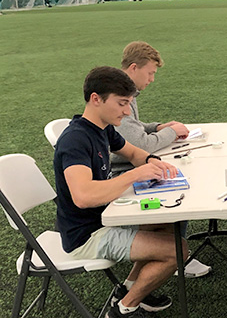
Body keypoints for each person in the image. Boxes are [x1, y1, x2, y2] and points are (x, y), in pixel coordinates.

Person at [54, 66, 188, 318]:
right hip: (86, 235)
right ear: (96, 99)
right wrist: (136, 175)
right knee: (177, 251)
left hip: (107, 217)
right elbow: (83, 196)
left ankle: (126, 290)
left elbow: (134, 153)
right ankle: (123, 309)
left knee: (167, 223)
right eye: (122, 103)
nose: (127, 111)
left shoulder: (102, 128)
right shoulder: (75, 141)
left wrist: (151, 161)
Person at [111, 41, 211, 278]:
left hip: (128, 165)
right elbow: (140, 144)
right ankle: (174, 254)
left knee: (175, 174)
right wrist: (171, 132)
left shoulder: (124, 93)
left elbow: (133, 129)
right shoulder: (118, 96)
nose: (152, 79)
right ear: (133, 68)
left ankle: (173, 247)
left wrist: (157, 126)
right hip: (120, 173)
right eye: (150, 73)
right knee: (176, 181)